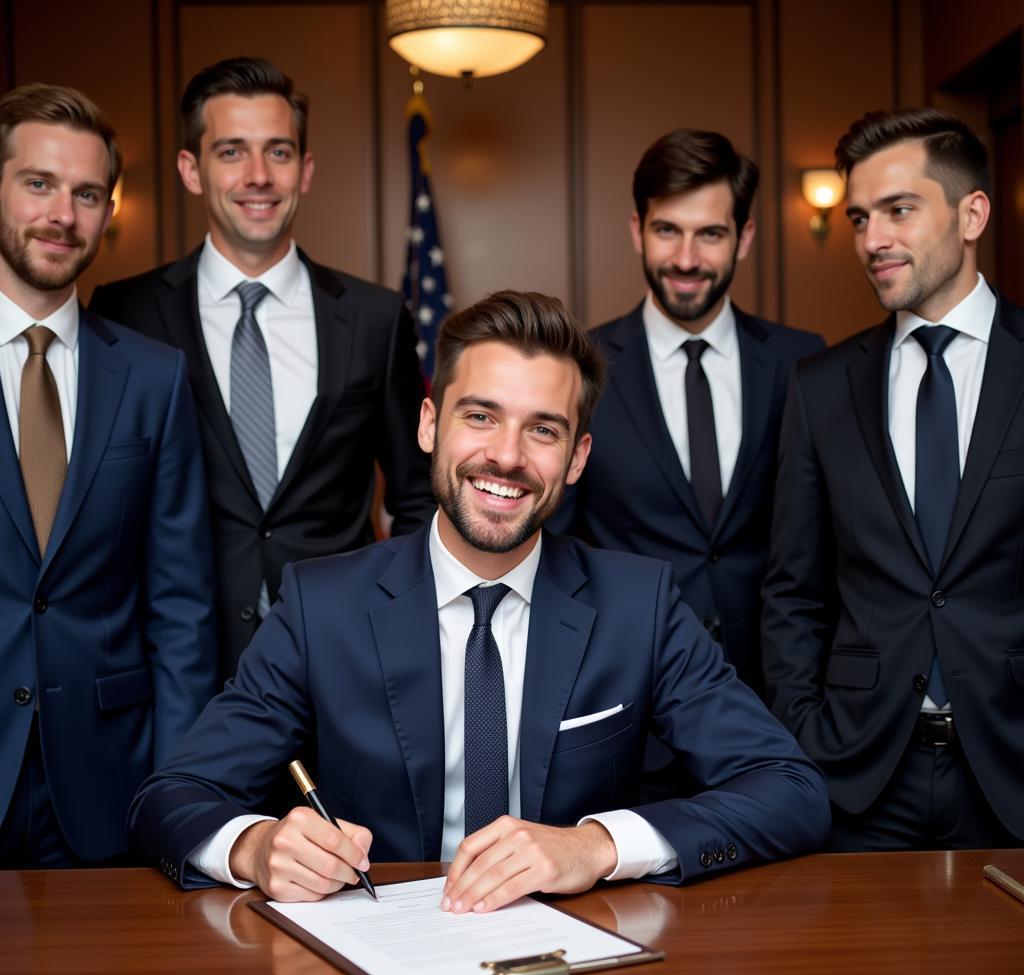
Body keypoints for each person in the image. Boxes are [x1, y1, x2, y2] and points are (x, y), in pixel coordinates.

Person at [129, 290, 830, 907]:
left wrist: (594, 847)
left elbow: (788, 789)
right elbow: (171, 797)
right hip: (375, 958)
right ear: (430, 425)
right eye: (481, 417)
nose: (507, 456)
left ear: (578, 458)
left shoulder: (638, 604)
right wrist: (257, 847)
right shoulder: (322, 605)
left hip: (573, 965)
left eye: (543, 430)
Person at [90, 56, 434, 682]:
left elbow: (419, 495)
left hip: (347, 663)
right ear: (191, 170)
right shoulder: (124, 313)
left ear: (304, 171)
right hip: (178, 667)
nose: (257, 176)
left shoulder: (375, 317)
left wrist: (393, 616)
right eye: (231, 152)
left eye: (278, 153)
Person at [762, 108, 1024, 850]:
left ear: (971, 213)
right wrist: (804, 734)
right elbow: (792, 590)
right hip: (859, 774)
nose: (872, 240)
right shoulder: (820, 387)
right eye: (858, 218)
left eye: (899, 211)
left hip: (1010, 765)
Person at [551, 129, 823, 802]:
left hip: (773, 718)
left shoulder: (804, 364)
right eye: (667, 230)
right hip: (623, 720)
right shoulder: (580, 369)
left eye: (710, 234)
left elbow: (825, 547)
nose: (686, 258)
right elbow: (555, 548)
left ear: (746, 237)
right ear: (637, 230)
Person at [0, 84, 216, 867]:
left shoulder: (154, 378)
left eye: (87, 194)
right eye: (39, 184)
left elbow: (181, 605)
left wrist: (182, 787)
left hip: (108, 782)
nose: (63, 214)